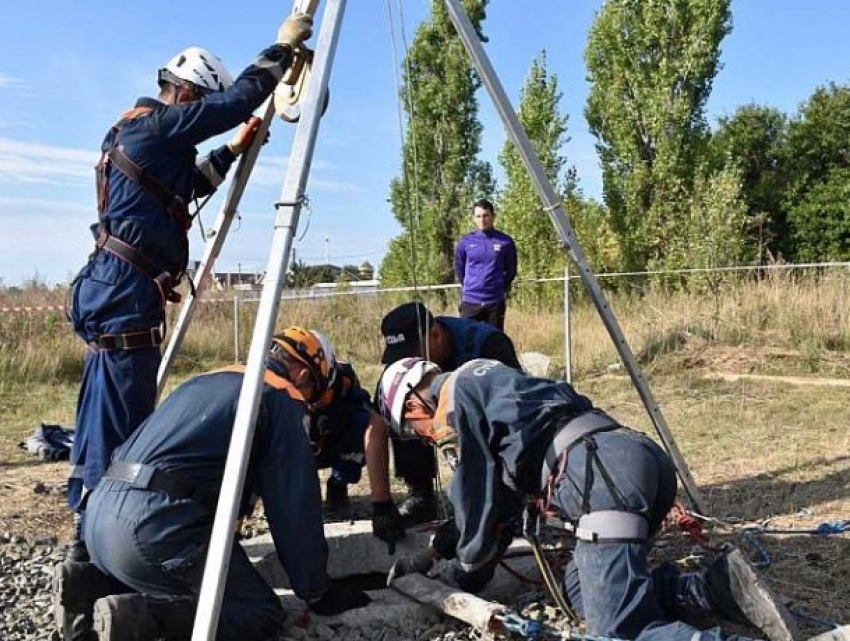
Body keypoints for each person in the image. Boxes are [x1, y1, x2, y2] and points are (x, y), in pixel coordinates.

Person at [65, 13, 315, 561]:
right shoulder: (154, 127)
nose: (198, 114)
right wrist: (278, 52)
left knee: (104, 407)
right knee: (124, 420)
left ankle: (87, 524)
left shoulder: (144, 139)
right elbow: (226, 108)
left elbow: (187, 190)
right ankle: (98, 546)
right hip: (122, 292)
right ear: (182, 92)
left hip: (114, 287)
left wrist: (235, 150)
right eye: (196, 101)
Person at [376, 357, 799, 641]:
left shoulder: (453, 404)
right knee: (581, 586)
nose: (424, 435)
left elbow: (480, 506)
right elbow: (497, 501)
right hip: (634, 456)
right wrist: (441, 548)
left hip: (600, 480)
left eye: (413, 426)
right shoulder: (486, 377)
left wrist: (460, 574)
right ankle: (712, 589)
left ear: (415, 399)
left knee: (616, 628)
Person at [54, 329, 370, 641]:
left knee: (161, 577)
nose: (309, 403)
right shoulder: (279, 397)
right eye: (314, 391)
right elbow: (294, 507)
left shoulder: (211, 379)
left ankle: (89, 584)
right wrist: (316, 591)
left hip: (100, 519)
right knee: (258, 611)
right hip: (152, 527)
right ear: (302, 372)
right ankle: (138, 620)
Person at [378, 301, 521, 527]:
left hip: (491, 425)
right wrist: (381, 505)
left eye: (413, 355)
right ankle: (421, 494)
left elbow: (514, 409)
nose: (409, 363)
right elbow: (379, 421)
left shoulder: (487, 344)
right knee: (403, 408)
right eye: (401, 357)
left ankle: (507, 498)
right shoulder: (404, 365)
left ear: (435, 335)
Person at [454, 198, 517, 331]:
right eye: (478, 216)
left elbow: (511, 271)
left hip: (494, 303)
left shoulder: (505, 242)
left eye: (486, 215)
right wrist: (471, 286)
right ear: (473, 219)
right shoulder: (465, 242)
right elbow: (460, 268)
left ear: (493, 216)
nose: (482, 220)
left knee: (494, 343)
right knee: (466, 343)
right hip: (470, 301)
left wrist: (498, 287)